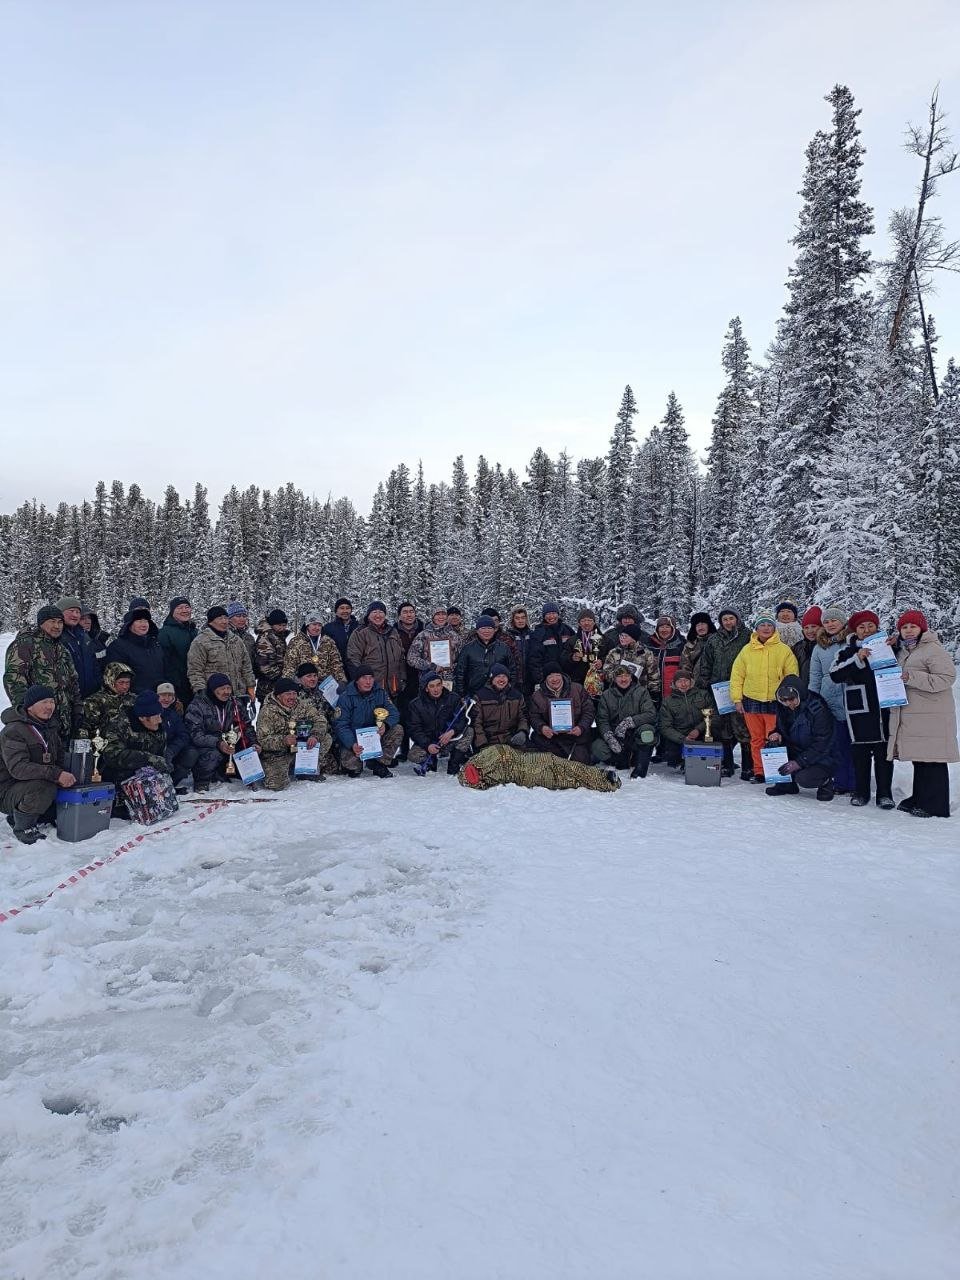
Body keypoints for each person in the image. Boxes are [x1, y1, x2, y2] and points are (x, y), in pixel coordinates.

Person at [886, 610, 958, 818]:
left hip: (932, 713)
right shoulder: (906, 650)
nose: (908, 631)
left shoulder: (931, 649)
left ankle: (936, 805)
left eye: (913, 626)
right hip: (916, 713)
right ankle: (919, 797)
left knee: (933, 760)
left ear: (922, 628)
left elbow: (946, 677)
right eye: (904, 627)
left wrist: (911, 676)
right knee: (921, 758)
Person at [828, 610, 895, 808]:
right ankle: (861, 792)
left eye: (870, 626)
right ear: (855, 630)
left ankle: (885, 794)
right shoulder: (846, 651)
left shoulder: (888, 645)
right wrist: (858, 657)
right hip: (859, 710)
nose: (866, 631)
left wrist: (896, 643)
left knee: (884, 754)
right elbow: (834, 674)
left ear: (877, 627)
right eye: (861, 627)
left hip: (883, 708)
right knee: (860, 754)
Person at [729, 611, 799, 782]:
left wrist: (789, 698)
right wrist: (737, 699)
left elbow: (791, 676)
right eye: (762, 625)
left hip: (775, 702)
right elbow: (737, 675)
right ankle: (759, 771)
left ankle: (775, 772)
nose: (766, 628)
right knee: (756, 739)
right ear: (757, 628)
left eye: (769, 625)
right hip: (751, 701)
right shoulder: (747, 650)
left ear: (774, 629)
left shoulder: (784, 650)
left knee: (774, 738)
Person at [0, 685, 75, 844]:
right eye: (44, 702)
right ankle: (24, 828)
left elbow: (59, 759)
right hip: (7, 790)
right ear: (30, 706)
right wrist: (56, 774)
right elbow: (18, 768)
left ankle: (17, 817)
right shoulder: (14, 730)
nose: (49, 706)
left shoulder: (49, 727)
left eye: (52, 702)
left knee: (63, 784)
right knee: (44, 787)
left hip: (28, 785)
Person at [4, 604, 81, 744]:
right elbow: (14, 680)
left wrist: (77, 709)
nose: (57, 626)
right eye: (52, 621)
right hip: (37, 722)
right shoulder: (26, 644)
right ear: (41, 623)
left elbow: (73, 682)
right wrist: (27, 713)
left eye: (60, 622)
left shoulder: (62, 650)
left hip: (62, 722)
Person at [696, 606, 752, 779]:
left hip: (740, 689)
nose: (728, 622)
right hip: (719, 689)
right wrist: (705, 682)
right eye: (725, 619)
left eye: (731, 618)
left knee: (742, 727)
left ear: (737, 619)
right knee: (723, 727)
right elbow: (706, 663)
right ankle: (727, 764)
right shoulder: (714, 640)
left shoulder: (748, 637)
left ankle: (748, 766)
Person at [807, 606, 856, 794]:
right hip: (828, 700)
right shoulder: (820, 647)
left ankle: (856, 782)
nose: (830, 624)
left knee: (853, 744)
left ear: (843, 621)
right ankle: (841, 782)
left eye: (834, 620)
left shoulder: (852, 641)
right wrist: (813, 699)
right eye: (826, 622)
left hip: (852, 698)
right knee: (837, 744)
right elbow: (815, 675)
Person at [764, 675, 835, 801]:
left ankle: (827, 782)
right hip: (797, 750)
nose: (788, 703)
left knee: (804, 778)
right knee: (771, 746)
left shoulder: (817, 709)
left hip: (821, 757)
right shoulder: (783, 708)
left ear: (799, 694)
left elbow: (822, 743)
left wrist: (799, 762)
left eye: (791, 699)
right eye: (784, 700)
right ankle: (785, 784)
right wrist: (775, 734)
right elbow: (781, 729)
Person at [184, 674, 259, 792]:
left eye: (228, 688)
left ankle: (241, 775)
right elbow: (195, 735)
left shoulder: (235, 703)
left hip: (230, 744)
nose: (226, 692)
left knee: (250, 751)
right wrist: (218, 743)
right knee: (212, 755)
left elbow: (247, 726)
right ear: (213, 690)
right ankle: (201, 781)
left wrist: (254, 744)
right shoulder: (197, 705)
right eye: (222, 689)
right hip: (209, 745)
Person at [256, 677, 331, 791]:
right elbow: (263, 740)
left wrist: (314, 735)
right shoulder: (267, 711)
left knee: (325, 738)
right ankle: (282, 769)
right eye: (288, 694)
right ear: (278, 695)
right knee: (276, 785)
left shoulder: (302, 705)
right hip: (277, 754)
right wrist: (283, 741)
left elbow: (320, 720)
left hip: (300, 749)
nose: (292, 697)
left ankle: (305, 770)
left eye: (294, 693)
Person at [333, 664, 402, 778]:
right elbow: (341, 725)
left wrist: (385, 725)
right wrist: (352, 744)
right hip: (355, 740)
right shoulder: (345, 698)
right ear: (357, 680)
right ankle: (357, 763)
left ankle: (380, 763)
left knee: (397, 729)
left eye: (371, 678)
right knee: (352, 767)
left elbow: (394, 713)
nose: (368, 681)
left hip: (376, 738)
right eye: (364, 678)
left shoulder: (380, 693)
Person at [457, 745, 621, 794]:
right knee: (571, 775)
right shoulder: (484, 772)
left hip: (533, 765)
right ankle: (605, 780)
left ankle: (604, 779)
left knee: (570, 773)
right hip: (533, 770)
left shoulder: (485, 761)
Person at [592, 664, 657, 779]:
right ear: (614, 679)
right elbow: (602, 719)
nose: (623, 679)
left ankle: (640, 767)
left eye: (626, 676)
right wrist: (609, 737)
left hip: (635, 734)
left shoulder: (642, 692)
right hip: (616, 735)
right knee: (597, 747)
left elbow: (651, 714)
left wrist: (629, 722)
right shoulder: (606, 695)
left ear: (631, 677)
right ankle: (620, 759)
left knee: (647, 732)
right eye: (620, 676)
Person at [100, 690, 170, 796]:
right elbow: (112, 755)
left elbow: (160, 752)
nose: (160, 720)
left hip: (147, 777)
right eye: (156, 717)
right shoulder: (119, 725)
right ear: (142, 718)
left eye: (160, 715)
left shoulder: (157, 725)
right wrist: (148, 759)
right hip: (119, 777)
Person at [406, 669, 470, 773]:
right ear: (426, 688)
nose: (436, 689)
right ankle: (430, 761)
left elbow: (463, 719)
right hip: (429, 742)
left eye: (438, 685)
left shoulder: (453, 698)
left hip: (448, 739)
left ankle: (454, 762)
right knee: (413, 755)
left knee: (469, 731)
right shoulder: (415, 705)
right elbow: (414, 729)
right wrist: (427, 745)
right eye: (432, 686)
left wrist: (452, 731)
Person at [187, 607, 256, 703]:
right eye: (220, 618)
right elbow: (195, 670)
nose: (224, 621)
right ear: (211, 621)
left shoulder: (236, 640)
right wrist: (201, 691)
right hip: (214, 696)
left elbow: (246, 666)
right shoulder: (201, 642)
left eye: (226, 618)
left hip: (238, 695)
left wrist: (250, 686)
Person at [529, 663, 594, 763]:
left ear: (562, 675)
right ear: (546, 678)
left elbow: (588, 711)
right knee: (538, 742)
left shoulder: (577, 689)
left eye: (557, 675)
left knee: (581, 761)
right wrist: (542, 728)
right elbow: (534, 717)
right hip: (551, 737)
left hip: (574, 736)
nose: (555, 679)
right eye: (550, 676)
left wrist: (581, 727)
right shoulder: (537, 696)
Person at [345, 601, 405, 695]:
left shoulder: (393, 632)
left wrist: (403, 678)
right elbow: (352, 659)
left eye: (381, 612)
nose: (378, 615)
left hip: (393, 687)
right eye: (374, 612)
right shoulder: (360, 633)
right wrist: (361, 682)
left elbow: (401, 657)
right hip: (371, 689)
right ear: (368, 615)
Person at [658, 667, 713, 768]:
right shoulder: (668, 701)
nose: (683, 684)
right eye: (679, 681)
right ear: (674, 684)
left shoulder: (703, 695)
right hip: (680, 736)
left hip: (702, 733)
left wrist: (698, 729)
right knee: (672, 754)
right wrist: (683, 739)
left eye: (686, 681)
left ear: (691, 682)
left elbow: (713, 715)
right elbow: (665, 727)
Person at [105, 606, 166, 694]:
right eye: (139, 621)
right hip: (134, 700)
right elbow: (115, 679)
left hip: (159, 698)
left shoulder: (156, 645)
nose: (144, 624)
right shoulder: (118, 647)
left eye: (146, 621)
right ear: (129, 625)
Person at [453, 616, 514, 699]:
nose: (486, 631)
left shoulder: (504, 648)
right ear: (477, 630)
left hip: (498, 695)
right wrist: (462, 694)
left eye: (489, 628)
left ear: (494, 630)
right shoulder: (468, 649)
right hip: (474, 695)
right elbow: (460, 673)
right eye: (483, 628)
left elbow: (512, 671)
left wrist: (508, 690)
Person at [472, 664, 529, 753]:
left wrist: (522, 732)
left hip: (511, 738)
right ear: (492, 679)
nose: (501, 679)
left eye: (504, 676)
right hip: (489, 740)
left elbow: (523, 717)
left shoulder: (517, 695)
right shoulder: (480, 696)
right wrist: (482, 744)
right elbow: (476, 723)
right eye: (498, 676)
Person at [394, 602, 424, 760]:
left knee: (421, 713)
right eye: (405, 612)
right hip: (402, 678)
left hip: (421, 677)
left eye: (411, 611)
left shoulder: (424, 630)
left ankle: (422, 746)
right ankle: (404, 748)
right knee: (403, 713)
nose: (409, 615)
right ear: (399, 615)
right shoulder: (393, 631)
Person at [283, 611, 346, 685]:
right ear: (307, 625)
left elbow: (336, 664)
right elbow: (289, 665)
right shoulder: (296, 642)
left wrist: (342, 681)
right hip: (303, 684)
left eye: (319, 625)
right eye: (314, 624)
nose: (317, 628)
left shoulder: (328, 641)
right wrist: (287, 683)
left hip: (325, 684)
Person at [57, 596, 102, 698]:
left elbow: (94, 663)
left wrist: (97, 685)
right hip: (67, 698)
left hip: (90, 696)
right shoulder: (56, 636)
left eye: (77, 612)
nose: (75, 615)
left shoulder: (84, 636)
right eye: (71, 611)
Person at [157, 597, 197, 708]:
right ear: (172, 612)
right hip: (177, 687)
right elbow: (164, 662)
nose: (184, 610)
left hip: (195, 685)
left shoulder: (195, 631)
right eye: (179, 608)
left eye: (187, 607)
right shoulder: (165, 633)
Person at [600, 624, 660, 698]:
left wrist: (654, 693)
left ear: (634, 638)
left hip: (639, 695)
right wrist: (620, 676)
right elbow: (606, 672)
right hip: (617, 694)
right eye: (621, 635)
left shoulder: (646, 654)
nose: (622, 638)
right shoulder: (614, 652)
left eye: (625, 636)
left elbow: (653, 676)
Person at [406, 605, 461, 686]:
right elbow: (411, 659)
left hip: (449, 680)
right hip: (428, 680)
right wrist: (431, 666)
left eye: (443, 614)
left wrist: (453, 666)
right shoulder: (423, 635)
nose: (441, 617)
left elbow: (462, 658)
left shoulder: (454, 636)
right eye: (438, 614)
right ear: (433, 617)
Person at [157, 682, 197, 791]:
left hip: (171, 751)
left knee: (191, 753)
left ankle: (171, 784)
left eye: (170, 695)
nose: (167, 698)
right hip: (155, 751)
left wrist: (172, 750)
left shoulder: (173, 714)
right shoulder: (150, 712)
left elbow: (183, 735)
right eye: (163, 695)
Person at [527, 602, 575, 689]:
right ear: (544, 616)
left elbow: (575, 649)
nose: (551, 617)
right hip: (549, 678)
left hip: (568, 676)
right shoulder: (539, 633)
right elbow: (534, 659)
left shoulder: (567, 630)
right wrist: (539, 679)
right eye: (548, 614)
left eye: (553, 613)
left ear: (558, 614)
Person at [81, 662, 135, 736]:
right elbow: (84, 729)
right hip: (106, 744)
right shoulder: (94, 702)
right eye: (121, 683)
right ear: (110, 681)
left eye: (127, 682)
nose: (125, 686)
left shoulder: (134, 699)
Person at [561, 609, 604, 697]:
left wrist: (602, 661)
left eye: (589, 620)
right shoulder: (572, 641)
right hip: (577, 682)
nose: (586, 623)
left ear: (594, 622)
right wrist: (572, 657)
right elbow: (563, 659)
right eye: (583, 620)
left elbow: (612, 657)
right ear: (579, 623)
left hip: (599, 681)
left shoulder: (605, 640)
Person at [253, 609, 291, 702]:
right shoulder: (266, 637)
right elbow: (265, 666)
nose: (282, 628)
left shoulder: (277, 636)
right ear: (272, 624)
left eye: (284, 625)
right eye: (279, 625)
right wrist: (283, 679)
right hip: (268, 688)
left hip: (276, 686)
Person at [646, 615, 686, 699]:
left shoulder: (682, 645)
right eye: (661, 627)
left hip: (674, 694)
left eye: (667, 627)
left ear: (673, 629)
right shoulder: (648, 644)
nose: (664, 630)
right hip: (651, 694)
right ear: (657, 629)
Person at [322, 598, 360, 665]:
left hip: (356, 667)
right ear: (336, 611)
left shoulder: (359, 627)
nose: (345, 611)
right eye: (342, 608)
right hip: (336, 668)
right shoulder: (328, 628)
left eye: (347, 608)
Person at [793, 606, 822, 691]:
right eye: (806, 627)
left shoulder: (827, 645)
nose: (810, 631)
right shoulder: (797, 648)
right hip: (804, 693)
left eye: (813, 626)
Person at [507, 605, 534, 694]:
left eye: (523, 618)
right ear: (513, 620)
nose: (520, 621)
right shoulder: (508, 636)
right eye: (517, 618)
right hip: (514, 679)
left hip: (530, 679)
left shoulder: (533, 635)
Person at [679, 612, 716, 677]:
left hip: (716, 684)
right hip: (696, 684)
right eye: (697, 625)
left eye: (703, 624)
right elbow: (685, 667)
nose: (700, 628)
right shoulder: (689, 646)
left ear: (708, 625)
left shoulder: (718, 642)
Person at [227, 603, 258, 673]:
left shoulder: (249, 638)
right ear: (229, 619)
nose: (242, 619)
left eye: (244, 616)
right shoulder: (223, 636)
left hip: (246, 679)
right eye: (238, 616)